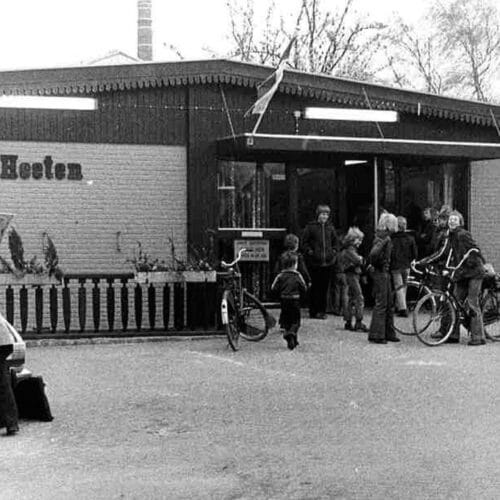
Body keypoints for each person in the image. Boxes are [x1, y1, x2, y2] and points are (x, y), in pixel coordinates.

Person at [419, 210, 487, 345]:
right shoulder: (449, 235)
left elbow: (475, 250)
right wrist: (424, 261)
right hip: (461, 273)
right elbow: (442, 253)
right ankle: (453, 335)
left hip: (474, 272)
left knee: (472, 303)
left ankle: (478, 337)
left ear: (460, 222)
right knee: (454, 302)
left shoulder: (463, 234)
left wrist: (468, 261)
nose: (452, 221)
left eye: (455, 219)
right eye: (451, 219)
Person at [301, 204, 339, 319]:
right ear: (318, 214)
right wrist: (310, 252)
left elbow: (336, 242)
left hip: (327, 263)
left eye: (327, 214)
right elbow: (304, 242)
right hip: (314, 263)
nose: (325, 216)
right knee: (314, 287)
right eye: (323, 214)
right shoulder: (311, 227)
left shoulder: (330, 228)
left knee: (324, 288)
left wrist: (333, 252)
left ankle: (322, 311)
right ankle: (313, 311)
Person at [367, 212, 400, 344]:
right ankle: (378, 334)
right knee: (382, 303)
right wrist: (380, 264)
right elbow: (374, 254)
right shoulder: (385, 238)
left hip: (381, 272)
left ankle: (385, 333)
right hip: (381, 272)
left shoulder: (381, 236)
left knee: (388, 302)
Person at [271, 251, 308, 350]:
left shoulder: (280, 275)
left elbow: (273, 288)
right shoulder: (297, 275)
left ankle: (291, 339)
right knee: (296, 320)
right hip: (295, 299)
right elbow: (303, 287)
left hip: (284, 300)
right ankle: (292, 333)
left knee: (286, 318)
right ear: (294, 264)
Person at [338, 227, 368, 332]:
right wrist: (361, 260)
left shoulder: (347, 250)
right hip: (352, 275)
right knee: (359, 297)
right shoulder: (350, 250)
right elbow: (359, 261)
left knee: (351, 298)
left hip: (349, 274)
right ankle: (359, 321)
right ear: (352, 239)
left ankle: (348, 320)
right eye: (358, 240)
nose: (360, 242)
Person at [390, 216, 417, 317]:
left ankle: (402, 308)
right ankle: (400, 305)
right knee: (404, 286)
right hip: (406, 266)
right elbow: (414, 253)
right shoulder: (410, 238)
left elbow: (391, 253)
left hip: (396, 266)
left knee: (398, 287)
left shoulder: (392, 239)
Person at [0, 341, 19, 436]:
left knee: (2, 384)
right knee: (3, 383)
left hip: (2, 343)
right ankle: (11, 423)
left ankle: (11, 423)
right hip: (4, 342)